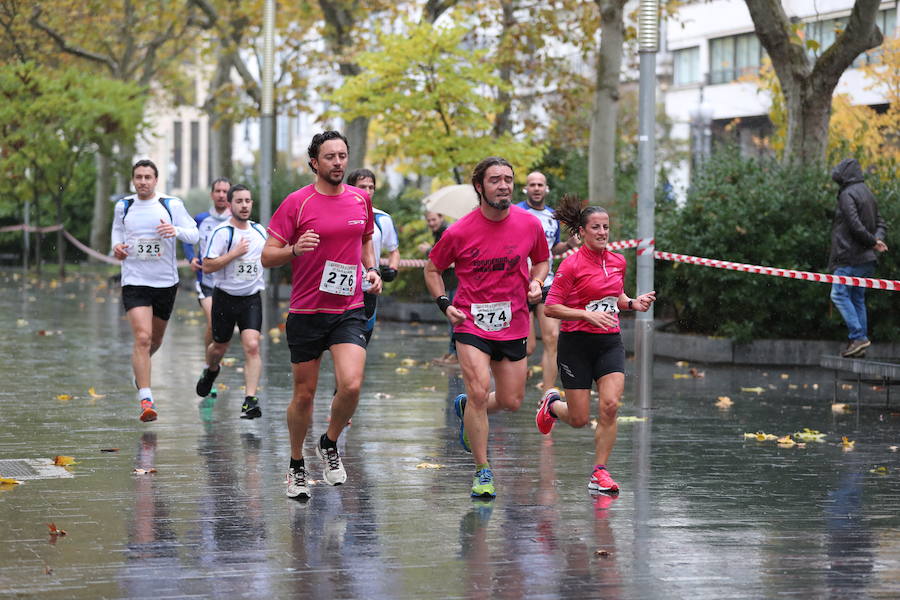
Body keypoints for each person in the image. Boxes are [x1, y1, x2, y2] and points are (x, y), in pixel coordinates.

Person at [261, 131, 381, 499]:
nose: (338, 162)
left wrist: (371, 271)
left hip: (348, 309)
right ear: (314, 162)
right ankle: (296, 464)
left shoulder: (360, 200)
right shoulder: (298, 202)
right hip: (307, 309)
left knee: (352, 384)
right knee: (304, 395)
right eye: (330, 156)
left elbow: (364, 240)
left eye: (343, 155)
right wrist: (295, 249)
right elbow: (268, 255)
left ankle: (329, 442)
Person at [425, 156, 549, 499]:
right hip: (470, 321)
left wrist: (537, 283)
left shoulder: (529, 225)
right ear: (480, 187)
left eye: (508, 179)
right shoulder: (460, 230)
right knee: (480, 391)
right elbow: (432, 269)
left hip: (513, 322)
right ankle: (482, 470)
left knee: (511, 400)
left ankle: (466, 408)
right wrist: (444, 304)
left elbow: (541, 259)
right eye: (495, 180)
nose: (504, 185)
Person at [536, 194, 656, 494]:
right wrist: (585, 315)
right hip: (576, 343)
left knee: (611, 406)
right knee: (578, 419)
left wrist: (632, 303)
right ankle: (552, 407)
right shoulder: (571, 266)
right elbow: (551, 307)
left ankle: (599, 471)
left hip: (609, 342)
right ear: (583, 232)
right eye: (596, 228)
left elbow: (614, 295)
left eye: (606, 227)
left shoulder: (617, 260)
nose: (603, 233)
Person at [111, 159, 199, 422]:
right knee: (142, 337)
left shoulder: (171, 204)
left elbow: (194, 235)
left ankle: (140, 369)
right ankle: (146, 398)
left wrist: (176, 231)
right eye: (138, 177)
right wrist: (117, 248)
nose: (143, 182)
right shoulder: (124, 205)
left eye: (148, 177)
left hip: (165, 283)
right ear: (133, 179)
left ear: (156, 180)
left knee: (155, 341)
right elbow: (116, 233)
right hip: (134, 281)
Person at [194, 184, 267, 419]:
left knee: (252, 345)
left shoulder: (259, 231)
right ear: (230, 204)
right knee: (219, 347)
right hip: (225, 298)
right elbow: (207, 265)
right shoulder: (223, 233)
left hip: (251, 298)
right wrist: (234, 253)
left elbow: (269, 257)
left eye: (248, 201)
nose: (244, 205)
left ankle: (250, 400)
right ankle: (211, 370)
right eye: (239, 201)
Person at [515, 171, 578, 394]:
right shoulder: (516, 212)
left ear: (546, 188)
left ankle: (547, 395)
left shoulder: (553, 216)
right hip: (519, 283)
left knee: (553, 338)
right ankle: (506, 379)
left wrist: (569, 244)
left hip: (546, 281)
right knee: (528, 346)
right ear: (526, 189)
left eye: (540, 184)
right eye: (532, 184)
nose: (536, 188)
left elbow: (552, 248)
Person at [828, 158, 888, 358]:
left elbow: (854, 225)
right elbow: (881, 223)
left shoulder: (847, 194)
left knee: (838, 294)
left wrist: (872, 242)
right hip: (867, 260)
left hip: (848, 256)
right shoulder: (867, 192)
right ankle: (859, 343)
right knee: (857, 298)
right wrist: (876, 241)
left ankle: (858, 337)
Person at [183, 177, 231, 395]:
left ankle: (211, 367)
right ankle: (209, 365)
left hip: (230, 283)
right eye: (217, 191)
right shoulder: (202, 219)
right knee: (214, 323)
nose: (221, 195)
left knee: (221, 330)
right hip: (207, 281)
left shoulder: (238, 220)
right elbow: (187, 238)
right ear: (212, 194)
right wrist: (191, 257)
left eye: (225, 191)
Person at [346, 168, 400, 344]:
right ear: (351, 187)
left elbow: (394, 251)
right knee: (339, 339)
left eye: (371, 187)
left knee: (361, 340)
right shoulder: (338, 214)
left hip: (367, 286)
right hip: (339, 286)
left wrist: (393, 269)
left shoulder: (382, 218)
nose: (367, 192)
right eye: (362, 187)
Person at [419, 211, 458, 366]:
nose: (431, 223)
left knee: (454, 319)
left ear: (442, 217)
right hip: (449, 283)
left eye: (434, 219)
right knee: (451, 319)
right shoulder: (439, 233)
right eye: (429, 220)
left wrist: (429, 250)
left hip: (456, 283)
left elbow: (444, 256)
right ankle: (451, 352)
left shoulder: (446, 232)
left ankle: (455, 353)